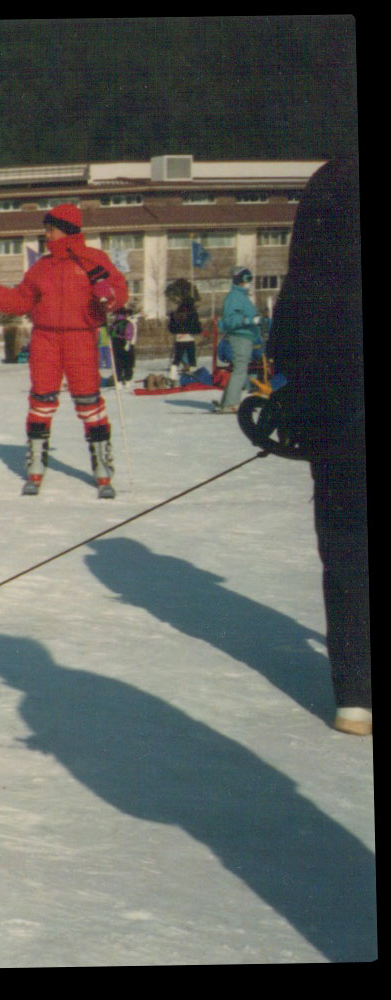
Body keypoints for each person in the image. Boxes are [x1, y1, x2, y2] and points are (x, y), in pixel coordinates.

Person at [261, 155, 368, 735]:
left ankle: (356, 694)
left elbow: (284, 359)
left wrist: (290, 411)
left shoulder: (308, 284)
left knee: (348, 552)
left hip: (338, 436)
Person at [0, 203, 128, 498]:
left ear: (66, 229)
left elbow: (118, 290)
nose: (46, 234)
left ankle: (102, 468)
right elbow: (21, 300)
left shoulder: (94, 260)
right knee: (41, 400)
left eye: (50, 228)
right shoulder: (42, 267)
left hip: (81, 338)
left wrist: (111, 296)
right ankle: (35, 465)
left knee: (88, 401)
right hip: (45, 338)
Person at [214, 267, 266, 413]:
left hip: (246, 337)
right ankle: (231, 403)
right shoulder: (234, 297)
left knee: (240, 370)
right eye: (247, 279)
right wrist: (250, 321)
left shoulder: (242, 297)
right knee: (240, 370)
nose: (250, 282)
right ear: (240, 280)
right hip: (240, 337)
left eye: (251, 279)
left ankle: (227, 401)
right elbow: (231, 320)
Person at [167, 297, 202, 378]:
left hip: (179, 339)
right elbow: (196, 327)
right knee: (192, 358)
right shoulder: (192, 313)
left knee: (177, 358)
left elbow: (171, 328)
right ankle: (193, 377)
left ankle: (172, 377)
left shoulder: (176, 313)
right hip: (189, 338)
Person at [107, 306, 138, 385]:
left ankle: (119, 380)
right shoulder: (128, 323)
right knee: (128, 363)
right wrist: (128, 342)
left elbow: (110, 334)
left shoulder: (113, 324)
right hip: (125, 343)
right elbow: (129, 333)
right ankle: (128, 380)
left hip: (115, 344)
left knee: (118, 363)